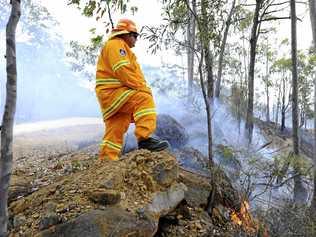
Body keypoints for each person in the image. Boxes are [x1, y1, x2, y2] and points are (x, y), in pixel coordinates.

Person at [95, 18, 169, 161]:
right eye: (135, 35)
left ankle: (107, 158)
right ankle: (145, 139)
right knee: (144, 98)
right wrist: (142, 88)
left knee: (117, 124)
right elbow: (123, 70)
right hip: (115, 93)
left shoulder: (116, 46)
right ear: (126, 34)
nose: (136, 39)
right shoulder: (117, 44)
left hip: (111, 96)